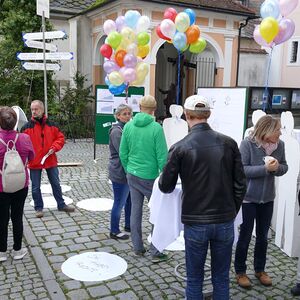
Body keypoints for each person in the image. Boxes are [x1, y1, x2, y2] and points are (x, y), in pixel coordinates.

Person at [159, 95, 246, 300]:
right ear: (208, 115)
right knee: (221, 278)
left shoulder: (180, 147)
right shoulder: (229, 143)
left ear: (187, 116)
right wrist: (231, 210)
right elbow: (241, 184)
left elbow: (165, 186)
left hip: (196, 221)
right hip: (224, 219)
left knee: (195, 278)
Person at [234, 115, 288, 289]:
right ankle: (240, 272)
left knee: (263, 238)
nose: (280, 132)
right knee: (245, 236)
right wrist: (265, 169)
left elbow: (284, 167)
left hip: (268, 199)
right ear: (267, 131)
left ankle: (260, 270)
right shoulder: (247, 144)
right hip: (248, 200)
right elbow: (242, 170)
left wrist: (277, 168)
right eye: (278, 129)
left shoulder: (280, 145)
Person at [119, 95, 170, 263]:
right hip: (150, 176)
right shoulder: (156, 128)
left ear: (139, 107)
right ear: (154, 110)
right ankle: (155, 249)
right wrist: (164, 176)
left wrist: (128, 170)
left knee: (135, 211)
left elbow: (123, 153)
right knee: (157, 212)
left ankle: (138, 247)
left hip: (132, 174)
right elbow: (162, 157)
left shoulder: (128, 126)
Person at [21, 100, 75, 218]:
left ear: (42, 110)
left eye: (36, 109)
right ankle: (38, 208)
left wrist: (54, 147)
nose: (34, 112)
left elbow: (60, 138)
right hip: (34, 161)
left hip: (50, 159)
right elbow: (23, 145)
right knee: (35, 187)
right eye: (32, 110)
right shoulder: (26, 128)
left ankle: (61, 204)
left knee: (56, 183)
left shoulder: (52, 125)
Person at [0, 106, 35, 261]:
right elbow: (32, 157)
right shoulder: (24, 138)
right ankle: (17, 250)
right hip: (21, 184)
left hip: (1, 186)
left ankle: (1, 252)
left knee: (1, 218)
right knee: (17, 217)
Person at [108, 104, 132, 240]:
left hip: (128, 170)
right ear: (118, 116)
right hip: (119, 171)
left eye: (129, 113)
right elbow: (123, 152)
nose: (128, 116)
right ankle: (114, 230)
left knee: (130, 201)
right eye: (124, 114)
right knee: (119, 202)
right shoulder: (117, 131)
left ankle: (128, 225)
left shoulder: (127, 129)